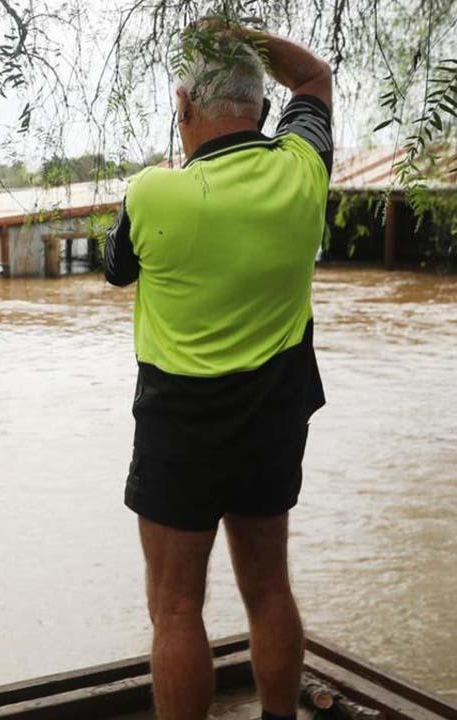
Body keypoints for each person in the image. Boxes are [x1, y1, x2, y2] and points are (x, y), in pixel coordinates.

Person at [103, 20, 333, 720]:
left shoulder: (153, 194)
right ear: (261, 111)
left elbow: (117, 270)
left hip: (181, 425)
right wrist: (243, 36)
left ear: (184, 109)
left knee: (175, 608)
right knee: (269, 588)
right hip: (273, 416)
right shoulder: (303, 171)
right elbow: (317, 79)